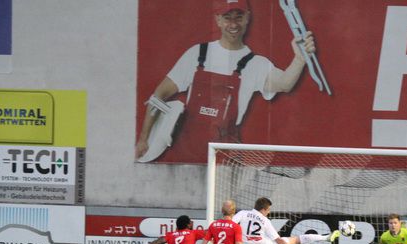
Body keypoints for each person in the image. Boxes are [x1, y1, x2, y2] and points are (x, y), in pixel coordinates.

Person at [135, 0, 318, 163]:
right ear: (218, 20)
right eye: (227, 17)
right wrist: (144, 139)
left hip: (225, 160)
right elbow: (158, 95)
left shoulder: (256, 64)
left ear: (247, 18)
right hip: (186, 155)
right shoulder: (197, 54)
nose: (233, 24)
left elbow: (285, 84)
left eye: (238, 17)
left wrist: (299, 58)